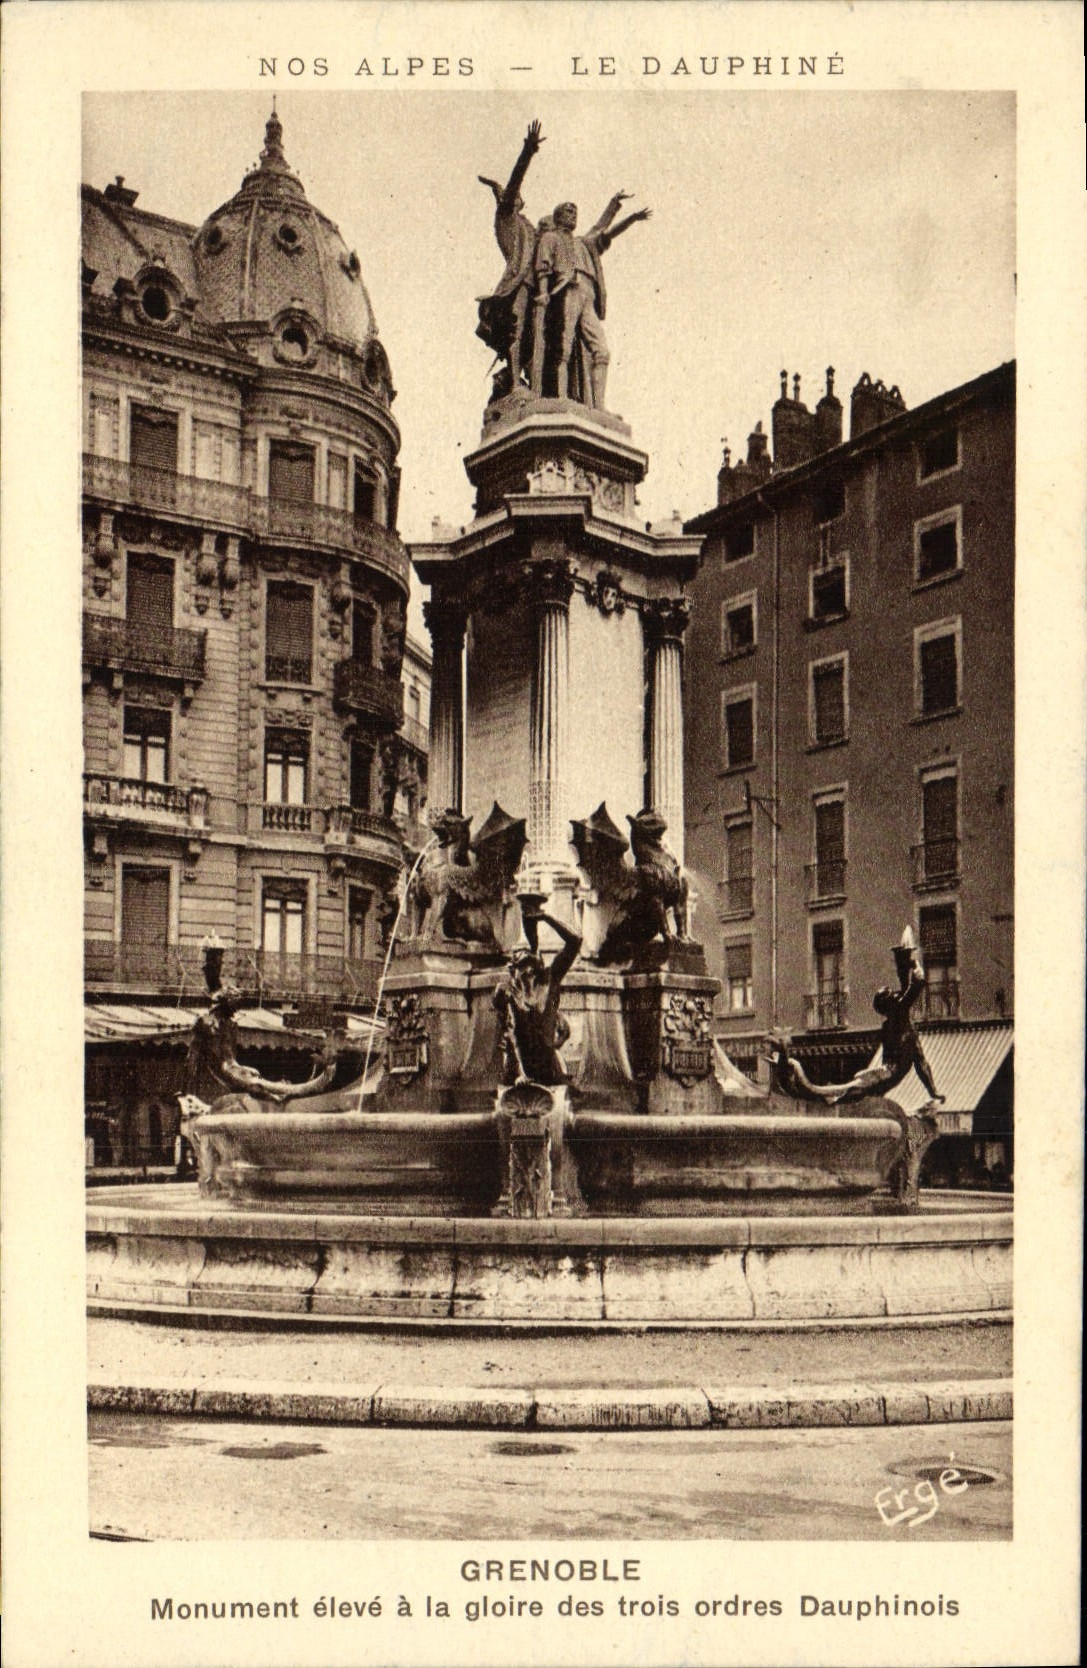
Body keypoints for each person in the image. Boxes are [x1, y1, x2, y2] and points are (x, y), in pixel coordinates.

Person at [532, 192, 651, 406]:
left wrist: (622, 212)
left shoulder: (584, 243)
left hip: (589, 297)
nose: (573, 216)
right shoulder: (551, 238)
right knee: (563, 346)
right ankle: (560, 398)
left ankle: (599, 406)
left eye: (575, 213)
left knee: (602, 351)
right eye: (568, 212)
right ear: (558, 216)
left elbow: (604, 229)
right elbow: (543, 267)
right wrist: (543, 292)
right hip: (567, 290)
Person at [477, 120, 545, 390]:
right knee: (517, 330)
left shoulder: (529, 226)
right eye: (512, 195)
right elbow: (514, 182)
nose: (518, 197)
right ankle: (515, 380)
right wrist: (527, 152)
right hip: (517, 283)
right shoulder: (506, 219)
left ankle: (531, 382)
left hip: (535, 284)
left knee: (535, 334)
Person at [494, 908, 582, 1086]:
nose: (528, 970)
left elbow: (575, 941)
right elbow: (509, 1036)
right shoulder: (506, 992)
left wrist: (547, 917)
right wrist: (520, 1073)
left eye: (532, 964)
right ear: (513, 969)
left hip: (549, 1070)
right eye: (522, 964)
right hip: (518, 1070)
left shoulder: (550, 981)